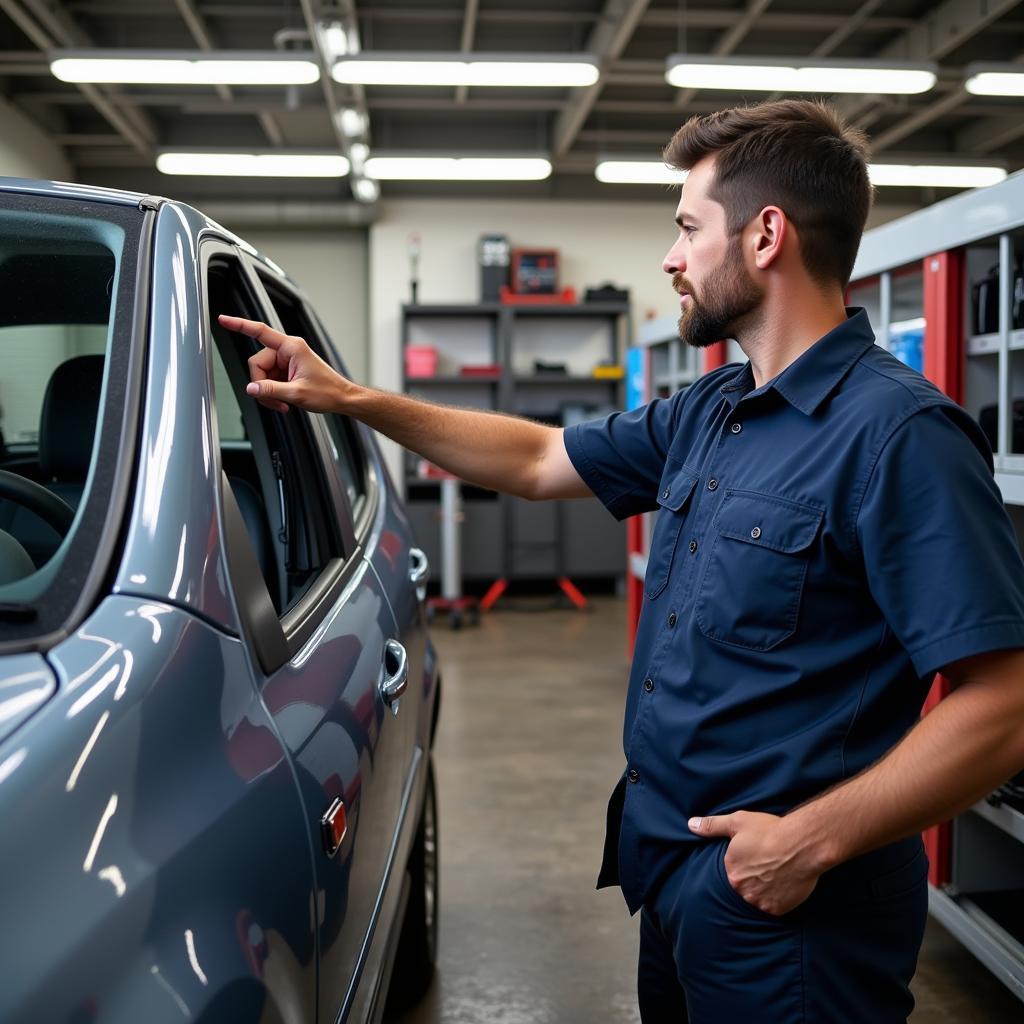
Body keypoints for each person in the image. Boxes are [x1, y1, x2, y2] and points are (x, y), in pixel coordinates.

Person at [219, 99, 1024, 1023]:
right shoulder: (711, 409)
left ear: (766, 237)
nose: (673, 259)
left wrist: (806, 843)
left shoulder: (899, 435)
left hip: (795, 916)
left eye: (688, 228)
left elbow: (1002, 707)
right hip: (676, 879)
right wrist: (349, 397)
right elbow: (531, 459)